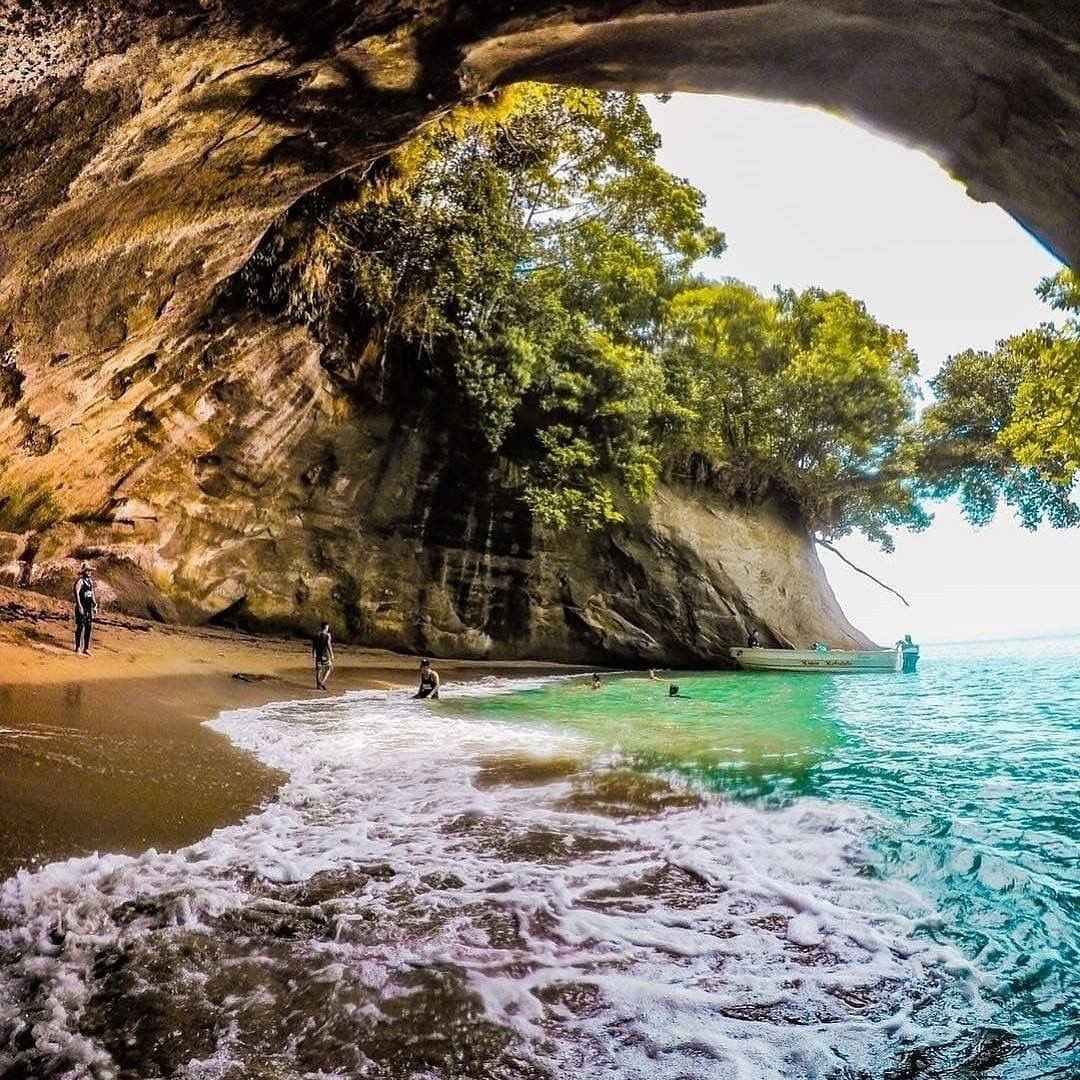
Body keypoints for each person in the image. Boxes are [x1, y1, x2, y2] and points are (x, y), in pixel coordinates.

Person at [72, 565, 97, 656]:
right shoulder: (80, 581)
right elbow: (76, 593)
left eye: (90, 570)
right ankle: (78, 647)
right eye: (87, 570)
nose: (89, 572)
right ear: (84, 571)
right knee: (80, 626)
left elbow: (92, 592)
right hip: (82, 605)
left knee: (88, 627)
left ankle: (86, 648)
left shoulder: (90, 581)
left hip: (88, 606)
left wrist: (94, 603)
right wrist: (79, 605)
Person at [312, 621, 334, 690]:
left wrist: (313, 653)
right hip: (325, 655)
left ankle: (318, 685)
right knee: (329, 668)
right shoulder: (328, 635)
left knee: (319, 670)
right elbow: (329, 645)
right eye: (327, 627)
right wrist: (331, 654)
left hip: (318, 654)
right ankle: (322, 682)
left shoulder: (316, 635)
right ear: (326, 627)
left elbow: (314, 645)